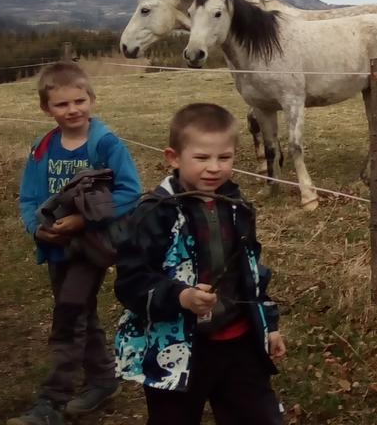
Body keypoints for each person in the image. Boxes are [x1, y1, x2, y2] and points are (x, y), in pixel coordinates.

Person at [114, 103, 286, 425]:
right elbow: (130, 282)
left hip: (239, 341)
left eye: (224, 157)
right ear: (174, 157)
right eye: (202, 157)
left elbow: (252, 271)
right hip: (176, 348)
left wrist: (269, 324)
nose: (214, 168)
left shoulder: (238, 207)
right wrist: (180, 297)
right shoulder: (154, 213)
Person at [12, 62, 142, 425]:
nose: (72, 110)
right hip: (56, 247)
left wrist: (84, 219)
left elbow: (131, 191)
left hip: (92, 246)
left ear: (92, 100)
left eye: (79, 101)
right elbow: (27, 198)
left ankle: (52, 402)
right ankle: (103, 379)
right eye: (62, 104)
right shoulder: (42, 148)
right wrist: (36, 229)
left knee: (69, 315)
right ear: (46, 109)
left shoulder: (105, 144)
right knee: (80, 312)